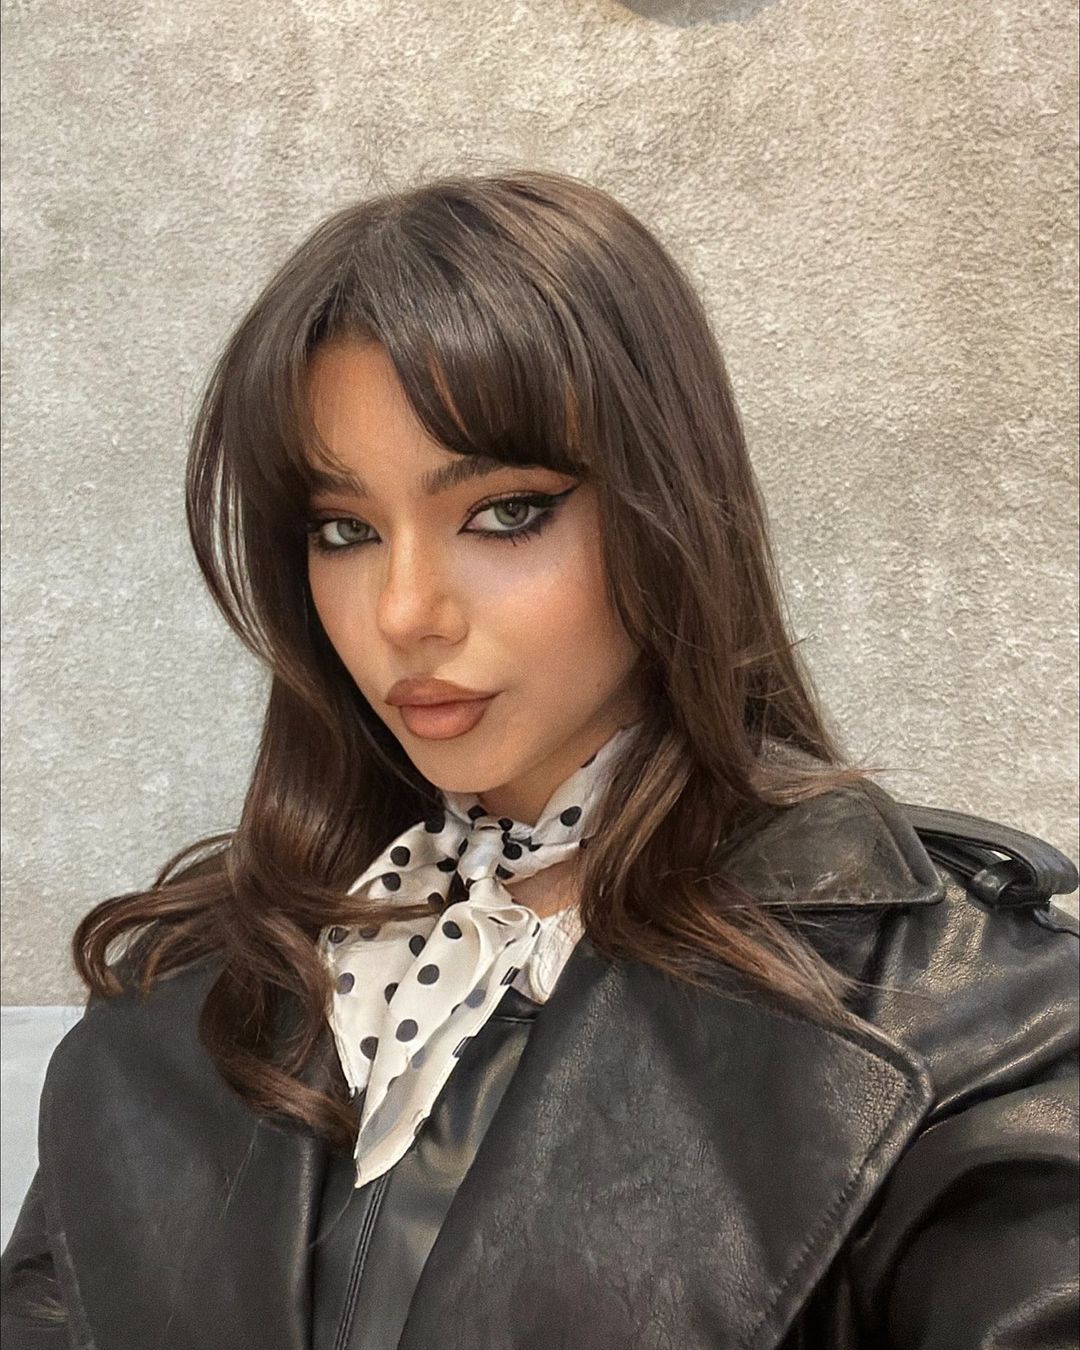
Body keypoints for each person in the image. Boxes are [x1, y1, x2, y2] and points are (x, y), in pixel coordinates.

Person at [1, 168, 1077, 1350]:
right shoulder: (196, 990)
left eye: (505, 512)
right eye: (344, 530)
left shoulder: (965, 1012)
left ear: (667, 506)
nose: (405, 611)